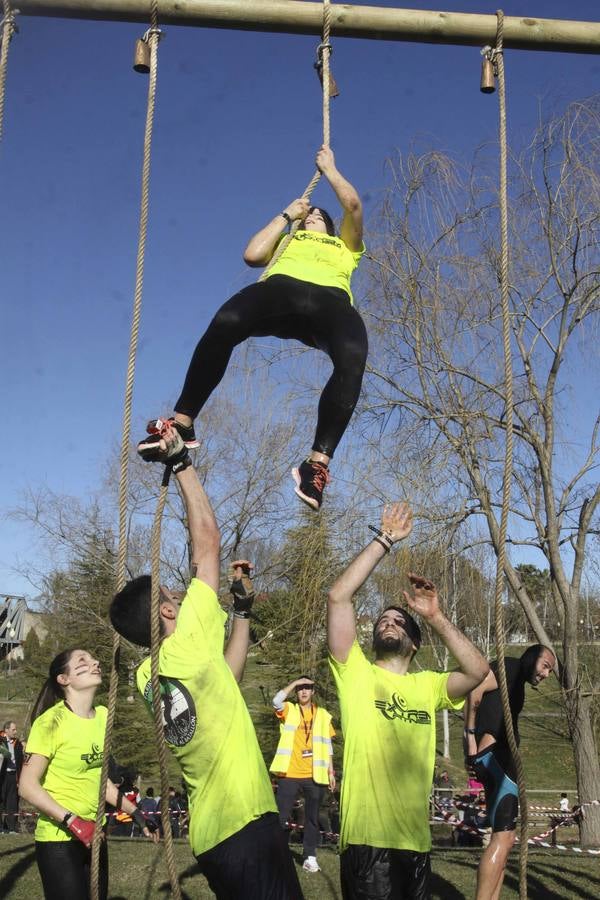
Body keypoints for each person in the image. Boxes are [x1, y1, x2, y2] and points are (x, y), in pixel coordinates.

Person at [109, 424, 303, 899]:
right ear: (166, 612)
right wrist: (181, 463)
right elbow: (208, 543)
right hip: (244, 823)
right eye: (173, 595)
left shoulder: (148, 674)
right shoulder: (185, 641)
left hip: (215, 836)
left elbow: (226, 682)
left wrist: (241, 614)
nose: (181, 595)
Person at [137, 145, 367, 512]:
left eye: (318, 215)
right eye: (308, 215)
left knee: (353, 356)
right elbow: (253, 255)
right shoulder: (288, 240)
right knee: (227, 321)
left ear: (330, 226)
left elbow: (353, 205)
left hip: (331, 304)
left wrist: (330, 169)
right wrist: (287, 216)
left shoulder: (346, 247)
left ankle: (316, 465)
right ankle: (183, 423)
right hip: (279, 292)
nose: (312, 216)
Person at [326, 500, 489, 900]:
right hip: (367, 842)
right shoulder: (355, 672)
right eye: (383, 620)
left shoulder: (428, 687)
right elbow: (338, 597)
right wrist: (385, 539)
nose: (389, 622)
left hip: (416, 842)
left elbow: (477, 670)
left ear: (414, 643)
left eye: (399, 621)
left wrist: (435, 617)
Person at [18, 649, 158, 900]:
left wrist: (137, 813)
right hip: (58, 840)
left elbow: (101, 782)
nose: (95, 662)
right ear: (64, 679)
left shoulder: (103, 715)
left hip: (95, 836)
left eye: (94, 659)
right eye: (82, 660)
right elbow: (27, 786)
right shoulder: (51, 722)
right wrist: (73, 821)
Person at [463, 643, 556, 900]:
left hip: (492, 758)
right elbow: (475, 689)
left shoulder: (515, 679)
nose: (546, 674)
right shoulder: (510, 668)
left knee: (504, 838)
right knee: (503, 839)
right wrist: (469, 736)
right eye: (545, 666)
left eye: (550, 671)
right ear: (532, 657)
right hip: (497, 758)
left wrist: (471, 747)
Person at [270, 676, 336, 873]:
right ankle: (277, 854)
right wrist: (293, 683)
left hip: (314, 775)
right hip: (289, 773)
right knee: (281, 817)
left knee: (312, 818)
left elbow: (328, 746)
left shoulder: (322, 715)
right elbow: (276, 701)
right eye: (300, 688)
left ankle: (310, 857)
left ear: (313, 692)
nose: (304, 691)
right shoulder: (289, 709)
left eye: (307, 687)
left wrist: (331, 772)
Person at [0, 720, 24, 833]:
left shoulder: (17, 743)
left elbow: (21, 760)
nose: (15, 732)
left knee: (12, 802)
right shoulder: (0, 741)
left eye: (16, 729)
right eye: (13, 729)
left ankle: (11, 828)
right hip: (2, 776)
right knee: (1, 800)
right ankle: (0, 828)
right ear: (6, 730)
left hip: (13, 776)